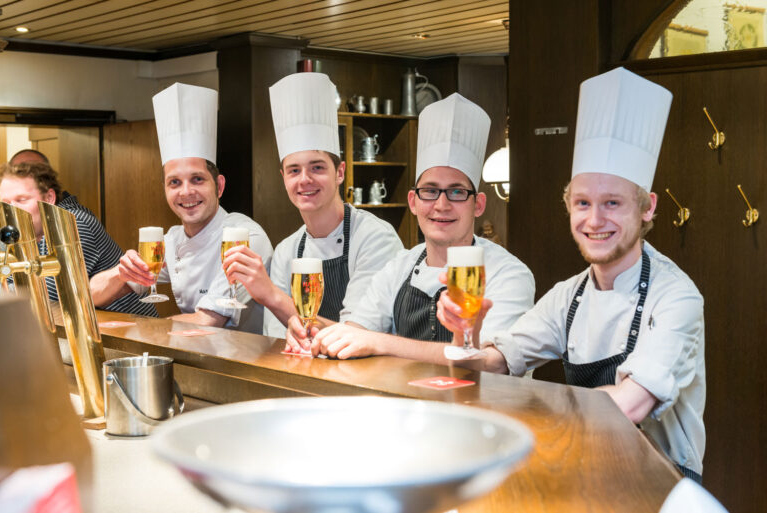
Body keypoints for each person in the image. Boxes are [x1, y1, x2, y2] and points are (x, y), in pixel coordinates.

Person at [438, 68, 705, 482]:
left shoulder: (677, 298)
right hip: (588, 466)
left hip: (662, 482)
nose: (594, 220)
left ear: (648, 207)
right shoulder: (569, 295)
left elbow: (632, 405)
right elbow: (495, 364)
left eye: (613, 203)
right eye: (582, 203)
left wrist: (535, 412)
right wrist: (465, 335)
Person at [291, 93, 534, 363]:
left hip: (477, 405)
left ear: (478, 204)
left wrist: (379, 342)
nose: (441, 205)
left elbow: (489, 362)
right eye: (429, 191)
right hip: (402, 403)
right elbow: (356, 332)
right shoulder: (399, 267)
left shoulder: (509, 274)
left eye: (456, 192)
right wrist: (314, 333)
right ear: (413, 202)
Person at [222, 72, 402, 340]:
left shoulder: (375, 237)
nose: (305, 180)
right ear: (284, 179)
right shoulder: (287, 251)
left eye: (317, 167)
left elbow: (355, 337)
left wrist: (271, 294)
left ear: (340, 172)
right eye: (294, 170)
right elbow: (278, 338)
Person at [93, 83, 273, 329]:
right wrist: (121, 273)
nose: (186, 192)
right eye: (174, 182)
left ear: (219, 186)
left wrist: (133, 330)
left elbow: (207, 321)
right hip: (199, 355)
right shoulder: (171, 241)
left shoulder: (246, 237)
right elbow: (92, 296)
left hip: (250, 361)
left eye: (197, 179)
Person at [0, 158, 157, 316]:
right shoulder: (18, 233)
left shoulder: (73, 222)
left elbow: (50, 299)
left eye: (22, 200)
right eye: (5, 203)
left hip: (131, 330)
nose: (11, 210)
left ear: (49, 198)